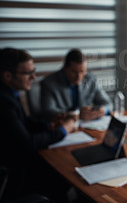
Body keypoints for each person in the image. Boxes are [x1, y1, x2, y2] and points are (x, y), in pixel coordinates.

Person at [0, 48, 75, 201]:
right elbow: (28, 143)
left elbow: (25, 122)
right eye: (28, 73)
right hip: (15, 172)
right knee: (62, 175)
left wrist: (49, 125)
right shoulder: (4, 101)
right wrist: (63, 130)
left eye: (34, 71)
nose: (34, 77)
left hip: (17, 163)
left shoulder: (10, 93)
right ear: (8, 76)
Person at [41, 48, 112, 122]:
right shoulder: (49, 83)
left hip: (87, 125)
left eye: (82, 71)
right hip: (62, 125)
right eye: (74, 72)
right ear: (65, 68)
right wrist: (76, 114)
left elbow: (108, 104)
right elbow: (48, 112)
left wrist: (103, 110)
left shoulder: (90, 79)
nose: (79, 76)